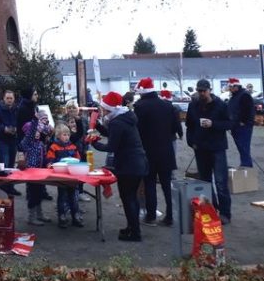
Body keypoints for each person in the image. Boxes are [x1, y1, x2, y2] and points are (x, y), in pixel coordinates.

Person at [90, 91, 149, 241]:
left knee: (128, 198)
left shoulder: (117, 122)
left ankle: (135, 233)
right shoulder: (124, 118)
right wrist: (98, 126)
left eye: (103, 109)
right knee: (131, 198)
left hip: (129, 165)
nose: (102, 112)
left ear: (110, 109)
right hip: (137, 163)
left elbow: (112, 146)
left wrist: (94, 143)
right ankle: (132, 227)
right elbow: (114, 134)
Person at [134, 77, 181, 226]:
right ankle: (170, 216)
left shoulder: (140, 106)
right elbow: (175, 128)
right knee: (167, 184)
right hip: (166, 150)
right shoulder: (167, 105)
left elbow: (138, 129)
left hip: (148, 150)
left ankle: (151, 215)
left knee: (150, 183)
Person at [185, 79, 233, 224]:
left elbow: (230, 123)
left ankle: (225, 213)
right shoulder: (193, 105)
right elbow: (189, 125)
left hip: (217, 147)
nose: (201, 93)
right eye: (199, 91)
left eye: (204, 91)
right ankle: (211, 210)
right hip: (200, 148)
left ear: (209, 90)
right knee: (204, 182)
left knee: (220, 182)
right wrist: (191, 142)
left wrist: (214, 124)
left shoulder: (221, 105)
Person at [46, 123, 84, 228]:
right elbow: (49, 160)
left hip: (72, 176)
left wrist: (78, 163)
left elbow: (78, 158)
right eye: (64, 134)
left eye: (68, 134)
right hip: (61, 176)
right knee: (62, 197)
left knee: (74, 197)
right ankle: (62, 216)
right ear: (58, 136)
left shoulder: (73, 146)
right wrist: (50, 165)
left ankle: (75, 216)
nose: (67, 136)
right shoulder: (54, 147)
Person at [20, 111, 54, 225]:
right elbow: (30, 134)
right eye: (35, 131)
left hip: (40, 172)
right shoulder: (27, 142)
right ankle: (31, 217)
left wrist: (48, 163)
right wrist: (35, 120)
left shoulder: (40, 143)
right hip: (30, 173)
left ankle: (40, 214)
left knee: (39, 193)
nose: (37, 133)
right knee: (32, 194)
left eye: (38, 131)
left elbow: (44, 156)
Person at [0, 90, 21, 196]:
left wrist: (17, 128)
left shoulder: (17, 109)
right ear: (3, 98)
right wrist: (3, 129)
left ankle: (9, 186)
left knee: (11, 165)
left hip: (13, 139)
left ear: (14, 99)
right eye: (7, 98)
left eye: (11, 98)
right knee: (4, 162)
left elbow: (20, 121)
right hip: (2, 139)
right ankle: (3, 184)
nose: (9, 100)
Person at [227, 77, 255, 168]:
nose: (230, 89)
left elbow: (248, 111)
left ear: (236, 86)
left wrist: (244, 121)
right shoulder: (233, 97)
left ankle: (246, 165)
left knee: (244, 147)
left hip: (243, 126)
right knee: (240, 146)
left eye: (231, 86)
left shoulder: (244, 95)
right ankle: (245, 164)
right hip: (234, 126)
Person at [63, 99, 88, 202]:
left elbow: (85, 132)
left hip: (82, 148)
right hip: (69, 151)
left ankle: (80, 192)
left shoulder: (83, 119)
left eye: (74, 107)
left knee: (81, 171)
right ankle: (68, 195)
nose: (72, 110)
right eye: (69, 108)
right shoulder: (63, 120)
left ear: (77, 109)